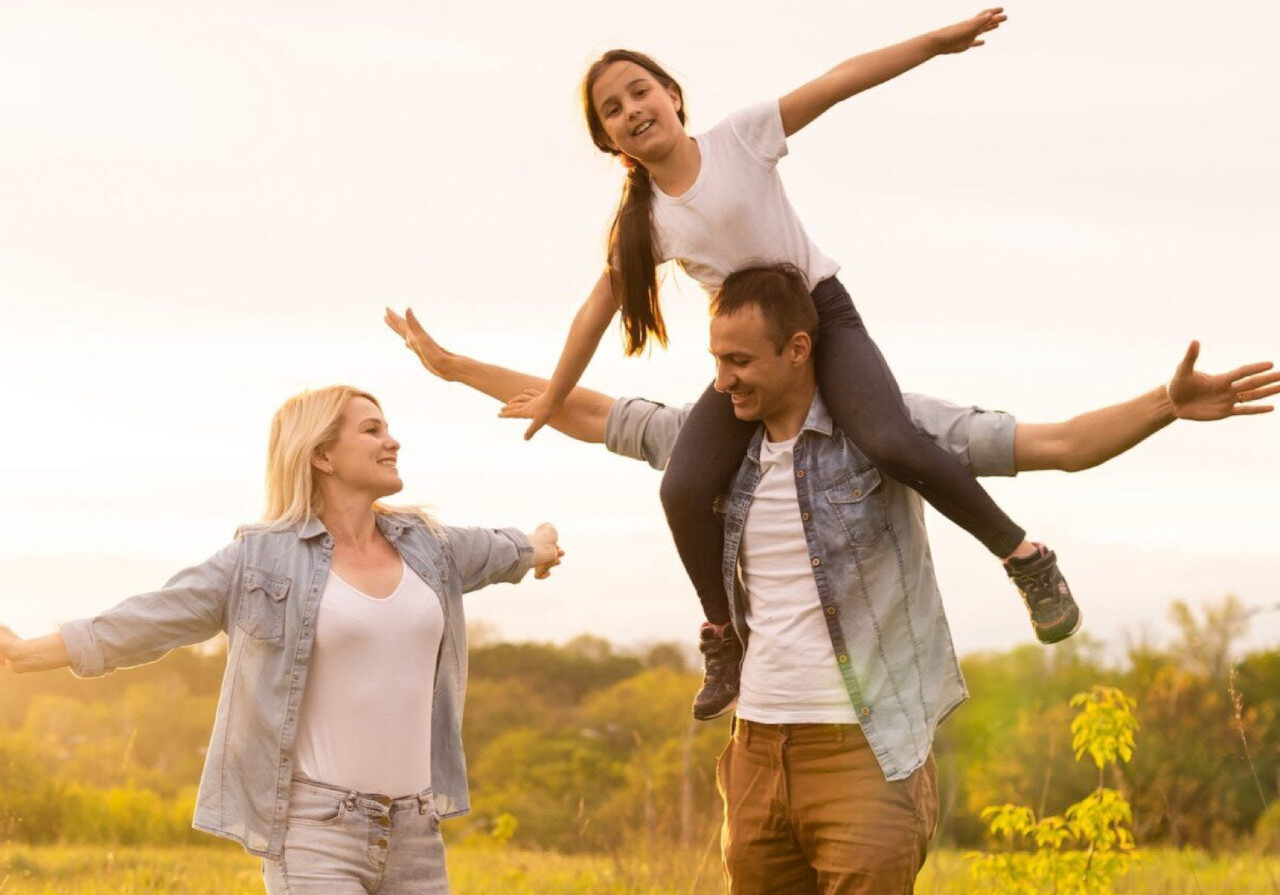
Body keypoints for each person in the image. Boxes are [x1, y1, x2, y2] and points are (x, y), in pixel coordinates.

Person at [387, 266, 1277, 893]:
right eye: (715, 360)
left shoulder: (889, 429)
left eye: (740, 362)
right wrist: (457, 368)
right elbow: (585, 409)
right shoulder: (712, 443)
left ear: (799, 349)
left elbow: (1058, 444)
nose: (722, 381)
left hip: (866, 752)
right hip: (757, 752)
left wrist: (1166, 404)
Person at [502, 10, 1082, 720]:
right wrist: (552, 396)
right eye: (612, 110)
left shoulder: (742, 138)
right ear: (609, 139)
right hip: (753, 359)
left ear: (673, 96)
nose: (632, 110)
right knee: (682, 488)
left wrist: (934, 44)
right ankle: (725, 635)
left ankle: (1025, 557)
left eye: (639, 91)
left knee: (891, 441)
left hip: (823, 320)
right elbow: (595, 311)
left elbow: (838, 82)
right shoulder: (644, 221)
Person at [0, 385, 563, 895]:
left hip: (416, 832)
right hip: (316, 833)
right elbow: (151, 618)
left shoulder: (432, 547)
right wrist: (27, 654)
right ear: (321, 456)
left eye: (387, 429)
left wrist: (542, 544)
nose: (392, 441)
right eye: (372, 430)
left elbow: (513, 548)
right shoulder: (260, 559)